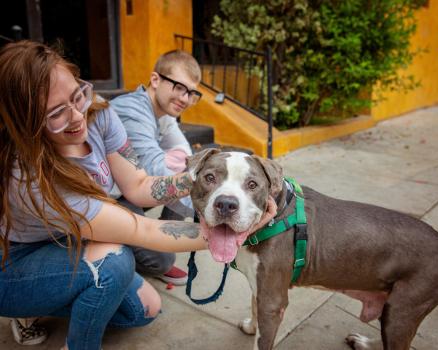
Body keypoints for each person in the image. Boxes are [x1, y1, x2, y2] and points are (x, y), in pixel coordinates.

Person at [0, 41, 276, 350]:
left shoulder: (99, 113)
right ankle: (49, 323)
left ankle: (59, 294)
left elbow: (139, 184)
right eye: (55, 114)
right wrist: (235, 227)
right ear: (24, 124)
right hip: (18, 260)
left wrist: (205, 178)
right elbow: (140, 229)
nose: (77, 116)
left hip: (73, 238)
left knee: (146, 308)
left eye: (77, 95)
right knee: (116, 263)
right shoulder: (29, 179)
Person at [110, 50, 203, 285]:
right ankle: (109, 249)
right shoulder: (132, 111)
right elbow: (155, 174)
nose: (185, 99)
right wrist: (210, 210)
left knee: (181, 170)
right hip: (104, 197)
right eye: (179, 87)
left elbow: (188, 159)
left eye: (192, 93)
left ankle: (142, 237)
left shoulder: (164, 112)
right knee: (161, 260)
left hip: (128, 188)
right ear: (155, 80)